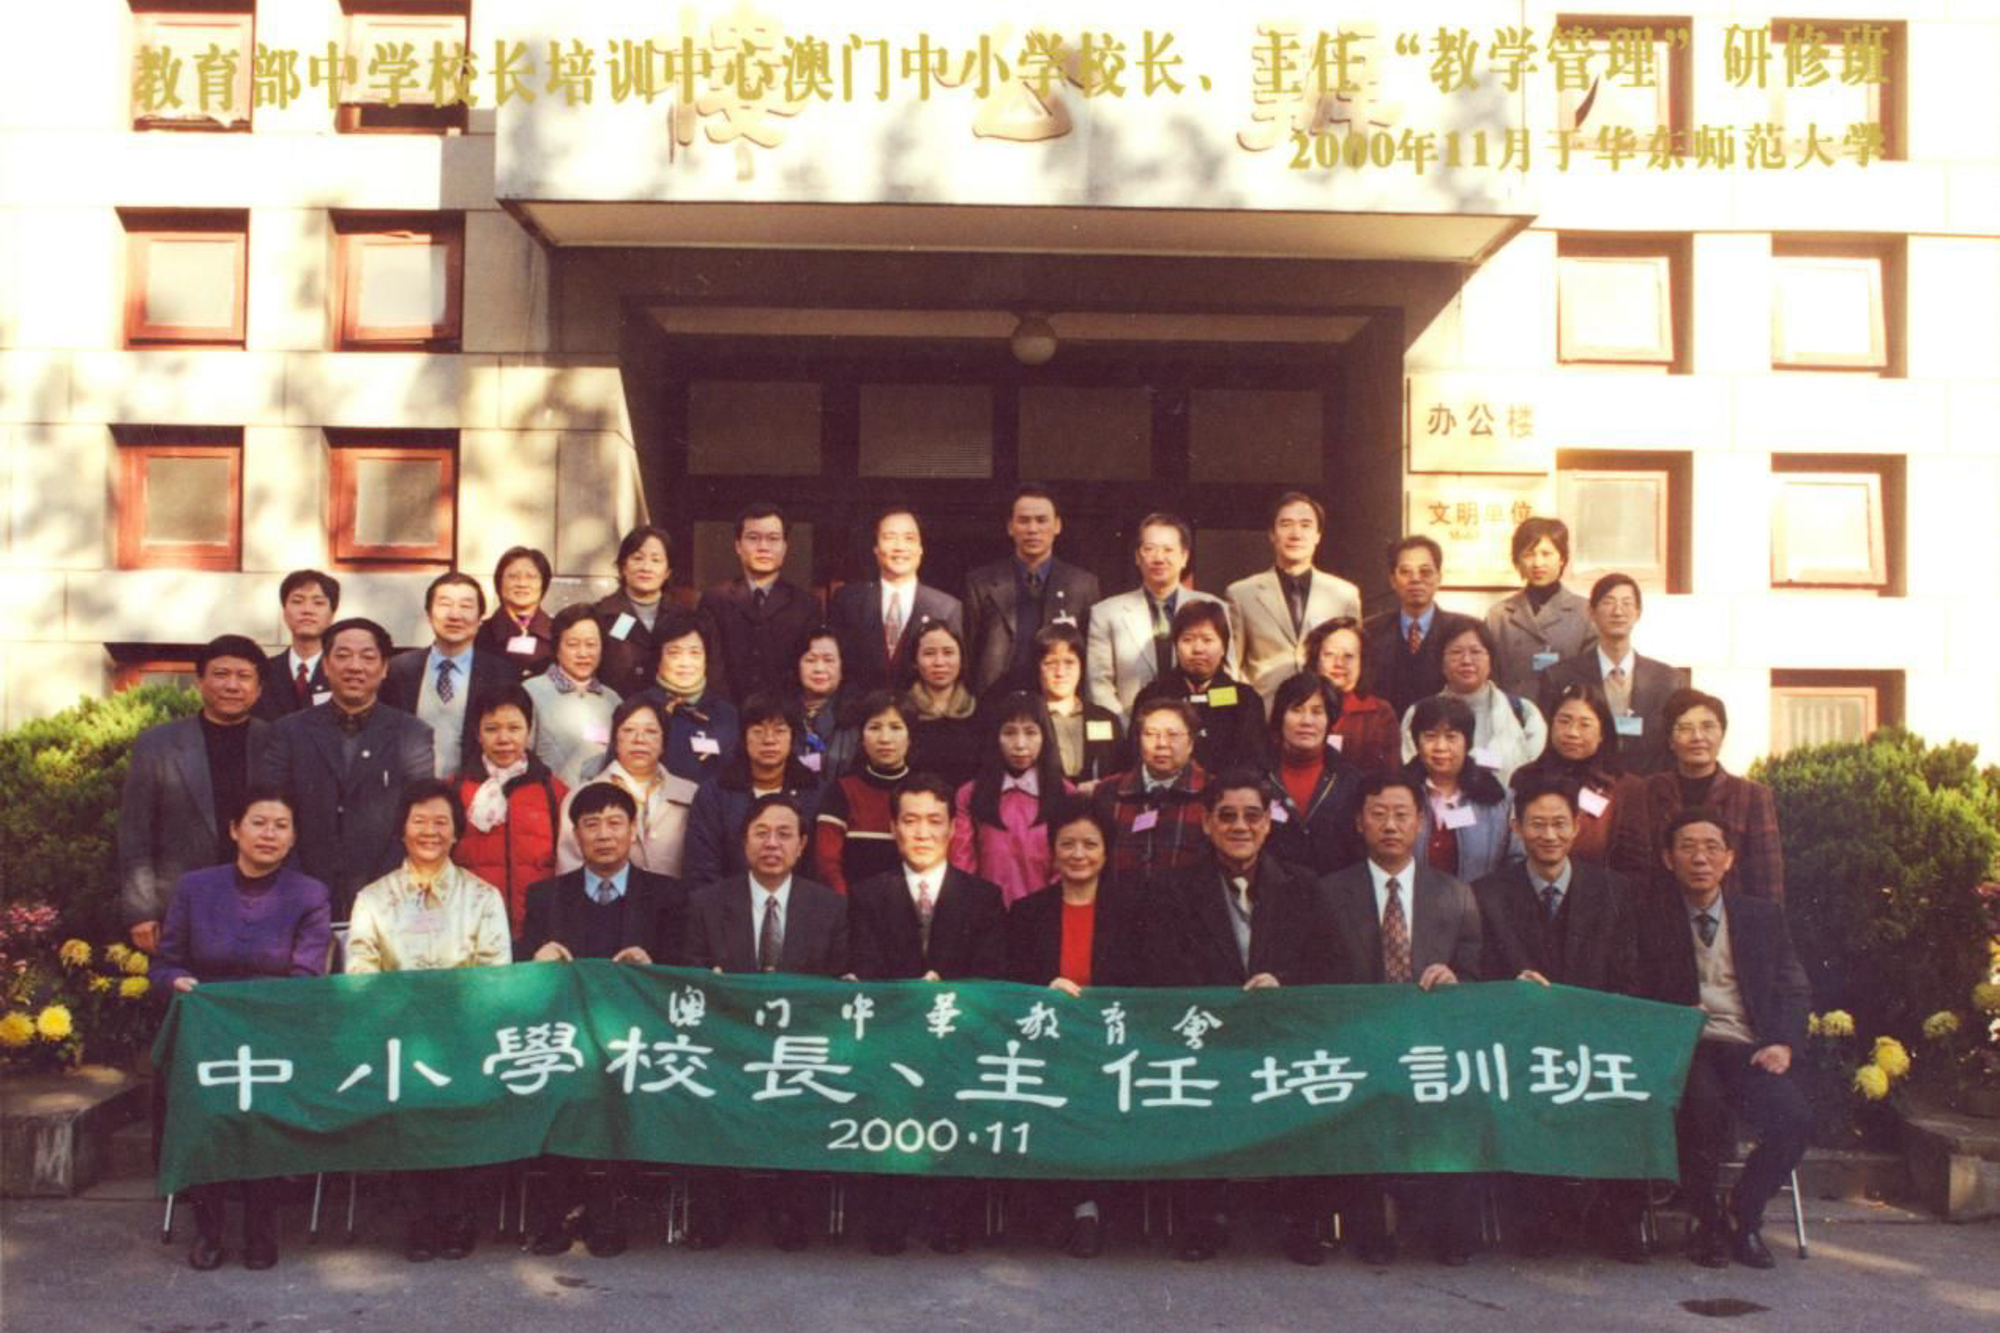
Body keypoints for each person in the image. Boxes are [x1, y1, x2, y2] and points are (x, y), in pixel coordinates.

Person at [1142, 772, 1336, 1264]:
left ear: (1268, 823)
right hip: (1207, 1036)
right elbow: (1160, 968)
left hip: (1282, 1033)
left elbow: (1329, 965)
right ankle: (1202, 1221)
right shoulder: (1171, 889)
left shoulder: (1303, 885)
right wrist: (1221, 1002)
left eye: (1252, 816)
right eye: (1226, 816)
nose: (1240, 827)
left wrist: (1282, 985)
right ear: (1207, 823)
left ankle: (1302, 1223)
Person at [1472, 775, 1647, 1263]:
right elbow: (1477, 973)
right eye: (1537, 824)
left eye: (1558, 824)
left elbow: (1630, 976)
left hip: (1596, 1038)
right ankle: (1539, 1222)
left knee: (1624, 1089)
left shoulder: (1614, 891)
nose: (1548, 835)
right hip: (1521, 1039)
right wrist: (1511, 987)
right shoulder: (1486, 894)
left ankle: (1617, 1222)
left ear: (1576, 827)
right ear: (1516, 827)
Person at [155, 788, 331, 1272]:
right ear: (235, 829)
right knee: (206, 1113)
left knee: (263, 1113)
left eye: (281, 825)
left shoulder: (309, 894)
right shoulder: (195, 888)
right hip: (206, 1031)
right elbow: (164, 965)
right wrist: (177, 981)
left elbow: (307, 977)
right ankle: (209, 1230)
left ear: (293, 837)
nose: (269, 834)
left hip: (274, 1032)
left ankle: (260, 1228)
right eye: (258, 822)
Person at [1317, 772, 1483, 1267]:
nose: (1390, 825)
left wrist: (1455, 978)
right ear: (1359, 822)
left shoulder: (1456, 894)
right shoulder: (1328, 893)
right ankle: (1375, 1227)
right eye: (1378, 814)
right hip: (1358, 1040)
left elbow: (1476, 970)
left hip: (1431, 1041)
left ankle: (1446, 1228)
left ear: (1419, 822)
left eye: (1401, 814)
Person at [344, 780, 510, 1263]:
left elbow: (494, 972)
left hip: (466, 1036)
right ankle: (418, 1220)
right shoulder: (373, 899)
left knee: (465, 1104)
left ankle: (458, 1217)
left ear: (456, 832)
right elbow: (360, 970)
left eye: (441, 822)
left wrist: (452, 1017)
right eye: (419, 821)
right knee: (408, 1102)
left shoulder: (483, 897)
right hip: (396, 1037)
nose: (430, 831)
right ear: (402, 829)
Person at [1637, 808, 1812, 1270]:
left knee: (1795, 1119)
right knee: (1702, 1109)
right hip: (1685, 1047)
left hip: (1747, 1046)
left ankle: (1743, 1212)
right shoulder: (1647, 918)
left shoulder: (1761, 916)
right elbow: (1630, 986)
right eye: (1688, 848)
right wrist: (1671, 1015)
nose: (1700, 858)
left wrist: (1782, 1042)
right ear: (1668, 858)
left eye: (1711, 848)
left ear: (1729, 859)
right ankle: (1706, 1221)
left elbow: (1793, 986)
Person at [516, 782, 683, 1258]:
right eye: (591, 825)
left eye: (614, 823)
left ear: (634, 830)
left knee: (622, 1087)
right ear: (575, 834)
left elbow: (683, 970)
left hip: (639, 1039)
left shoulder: (668, 896)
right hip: (566, 1039)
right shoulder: (547, 896)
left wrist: (654, 966)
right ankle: (558, 1213)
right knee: (555, 1083)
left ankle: (608, 1213)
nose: (604, 835)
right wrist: (536, 958)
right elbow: (521, 968)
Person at [847, 775, 1007, 1255]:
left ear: (953, 828)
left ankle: (950, 1219)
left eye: (934, 821)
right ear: (893, 828)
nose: (922, 832)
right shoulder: (868, 894)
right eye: (911, 821)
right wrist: (910, 995)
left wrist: (947, 990)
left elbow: (992, 973)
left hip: (959, 1038)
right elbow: (864, 965)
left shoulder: (983, 896)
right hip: (891, 1040)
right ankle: (889, 1218)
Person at [683, 795, 849, 1251]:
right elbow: (690, 973)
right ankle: (715, 1213)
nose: (772, 844)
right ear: (744, 843)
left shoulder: (829, 907)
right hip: (726, 1045)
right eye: (761, 833)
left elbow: (840, 979)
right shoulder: (707, 903)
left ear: (802, 845)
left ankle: (791, 1213)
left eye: (784, 834)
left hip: (800, 1049)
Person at [1003, 797, 1144, 1259]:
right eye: (1067, 844)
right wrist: (1043, 991)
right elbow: (1007, 985)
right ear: (1052, 850)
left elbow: (1150, 980)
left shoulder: (1135, 910)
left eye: (1090, 844)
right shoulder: (1026, 913)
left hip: (1116, 1048)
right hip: (1047, 1048)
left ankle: (1086, 1207)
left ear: (1106, 851)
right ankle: (1076, 1207)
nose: (1078, 854)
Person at [258, 617, 434, 920]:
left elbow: (418, 817)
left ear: (384, 668)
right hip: (299, 889)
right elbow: (271, 811)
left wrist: (386, 886)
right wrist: (296, 883)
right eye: (342, 656)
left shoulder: (413, 733)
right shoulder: (288, 731)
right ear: (326, 666)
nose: (355, 666)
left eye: (367, 657)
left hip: (388, 893)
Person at [118, 634, 269, 950]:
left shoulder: (277, 742)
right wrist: (141, 910)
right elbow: (135, 832)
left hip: (264, 903)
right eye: (220, 674)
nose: (232, 685)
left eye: (243, 676)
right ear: (199, 681)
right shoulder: (158, 745)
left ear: (258, 689)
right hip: (179, 906)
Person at [1086, 512, 1235, 721]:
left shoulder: (1213, 607)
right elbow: (1098, 684)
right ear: (1137, 557)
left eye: (1168, 550)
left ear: (1184, 557)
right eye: (1149, 549)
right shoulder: (1106, 613)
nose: (1158, 558)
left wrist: (1208, 725)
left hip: (1203, 726)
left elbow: (1227, 676)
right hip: (1131, 725)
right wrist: (1130, 729)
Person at [1538, 574, 1689, 776]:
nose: (1618, 612)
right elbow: (1549, 745)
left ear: (1638, 613)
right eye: (1608, 602)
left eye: (1627, 603)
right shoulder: (1560, 676)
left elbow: (1677, 746)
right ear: (1591, 612)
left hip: (1649, 788)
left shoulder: (1669, 680)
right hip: (1581, 785)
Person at [1641, 689, 1785, 900]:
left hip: (1731, 914)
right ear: (1670, 740)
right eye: (1685, 728)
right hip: (1662, 913)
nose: (1698, 737)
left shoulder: (1752, 796)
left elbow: (1768, 877)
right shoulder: (1646, 791)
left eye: (1708, 727)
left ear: (1722, 735)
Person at [962, 484, 1101, 696]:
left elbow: (1089, 657)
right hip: (996, 700)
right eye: (1024, 520)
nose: (1033, 529)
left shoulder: (1083, 585)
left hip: (1056, 699)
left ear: (1057, 525)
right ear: (1010, 527)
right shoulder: (981, 583)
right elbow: (968, 653)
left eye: (1042, 520)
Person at [450, 685, 567, 938]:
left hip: (538, 930)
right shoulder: (454, 792)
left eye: (514, 728)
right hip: (472, 929)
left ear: (529, 731)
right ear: (477, 734)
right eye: (491, 729)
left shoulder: (554, 792)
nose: (503, 739)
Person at [1226, 492, 1362, 704]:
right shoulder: (1242, 594)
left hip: (1324, 713)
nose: (1296, 534)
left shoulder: (1344, 594)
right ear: (1272, 534)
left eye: (1305, 525)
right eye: (1286, 524)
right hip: (1262, 713)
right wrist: (1234, 711)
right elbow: (1231, 668)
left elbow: (1354, 663)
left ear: (1318, 535)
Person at [1509, 683, 1651, 877]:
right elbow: (1514, 849)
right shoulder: (1525, 777)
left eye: (1585, 724)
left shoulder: (1626, 788)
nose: (1572, 732)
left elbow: (1635, 866)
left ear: (1602, 733)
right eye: (1564, 721)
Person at [683, 693, 822, 888]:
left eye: (780, 731)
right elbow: (701, 870)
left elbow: (818, 869)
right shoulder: (714, 794)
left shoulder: (814, 792)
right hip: (725, 903)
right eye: (758, 731)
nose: (769, 740)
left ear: (793, 737)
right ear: (743, 738)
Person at [383, 571, 513, 778]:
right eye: (445, 604)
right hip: (410, 790)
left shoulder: (501, 674)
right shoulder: (399, 670)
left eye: (466, 606)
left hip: (476, 789)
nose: (454, 615)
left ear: (480, 617)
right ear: (429, 614)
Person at [950, 693, 1073, 906]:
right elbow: (963, 865)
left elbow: (1067, 867)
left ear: (1045, 736)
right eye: (1009, 732)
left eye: (1030, 732)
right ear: (995, 737)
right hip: (987, 912)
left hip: (1045, 912)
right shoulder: (969, 794)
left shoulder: (1066, 794)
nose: (1020, 744)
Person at [827, 506, 965, 694]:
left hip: (922, 710)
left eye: (909, 538)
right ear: (876, 548)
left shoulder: (946, 608)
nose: (900, 547)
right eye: (889, 537)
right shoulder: (848, 600)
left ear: (920, 549)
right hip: (859, 710)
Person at [555, 697, 698, 877]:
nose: (639, 739)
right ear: (615, 740)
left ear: (664, 742)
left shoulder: (691, 794)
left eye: (651, 731)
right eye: (629, 730)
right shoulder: (582, 796)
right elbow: (570, 871)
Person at [698, 503, 820, 707]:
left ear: (785, 547)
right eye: (753, 538)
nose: (763, 547)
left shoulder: (806, 605)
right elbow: (710, 666)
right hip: (725, 713)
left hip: (784, 716)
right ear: (738, 546)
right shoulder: (714, 599)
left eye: (773, 538)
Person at [1398, 619, 1547, 786]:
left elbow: (1531, 771)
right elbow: (1413, 770)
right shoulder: (1418, 713)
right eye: (1456, 652)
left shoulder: (1524, 711)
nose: (1466, 661)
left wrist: (1475, 759)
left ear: (1491, 660)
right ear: (1441, 662)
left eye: (1476, 651)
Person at [1091, 697, 1211, 896]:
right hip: (1122, 907)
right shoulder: (1108, 792)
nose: (1161, 744)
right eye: (1151, 734)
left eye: (1173, 735)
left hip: (1189, 909)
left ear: (1191, 742)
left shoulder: (1211, 792)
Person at [1132, 600, 1266, 776]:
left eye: (1207, 640)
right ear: (1176, 646)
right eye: (1187, 640)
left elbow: (1255, 763)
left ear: (1224, 647)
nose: (1198, 649)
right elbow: (1134, 759)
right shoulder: (1152, 696)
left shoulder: (1245, 700)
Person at [1360, 536, 1480, 714]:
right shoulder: (1370, 631)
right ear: (1392, 580)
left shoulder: (1466, 630)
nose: (1415, 579)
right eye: (1405, 572)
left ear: (1439, 577)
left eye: (1425, 571)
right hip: (1385, 729)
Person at [1406, 694, 1517, 883]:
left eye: (1451, 737)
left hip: (1480, 900)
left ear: (1467, 742)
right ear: (1417, 742)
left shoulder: (1499, 800)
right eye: (1430, 736)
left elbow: (1516, 862)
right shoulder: (1398, 793)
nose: (1440, 747)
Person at [1261, 673, 1362, 875]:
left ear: (1329, 720)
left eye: (1317, 712)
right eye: (1296, 710)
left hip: (1334, 889)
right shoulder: (1258, 775)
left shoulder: (1351, 781)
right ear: (1280, 717)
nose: (1306, 721)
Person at [812, 691, 912, 894]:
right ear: (862, 738)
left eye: (895, 727)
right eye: (874, 728)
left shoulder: (925, 791)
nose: (885, 738)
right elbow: (827, 863)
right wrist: (847, 903)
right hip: (853, 905)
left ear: (910, 737)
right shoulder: (842, 791)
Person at [1484, 517, 1595, 700]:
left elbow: (1591, 678)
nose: (1537, 563)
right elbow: (1488, 679)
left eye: (1546, 553)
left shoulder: (1586, 613)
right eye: (1529, 554)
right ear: (1518, 561)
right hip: (1512, 713)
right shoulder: (1499, 616)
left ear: (1562, 558)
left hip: (1563, 713)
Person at [632, 609, 741, 785]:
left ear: (706, 658)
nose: (685, 663)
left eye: (695, 653)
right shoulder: (636, 709)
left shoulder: (727, 714)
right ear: (658, 659)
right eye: (674, 653)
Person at [592, 524, 701, 700]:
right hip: (618, 709)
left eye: (656, 560)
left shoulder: (687, 615)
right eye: (638, 558)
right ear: (623, 566)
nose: (646, 567)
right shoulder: (601, 615)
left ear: (667, 572)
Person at [524, 603, 623, 788]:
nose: (583, 653)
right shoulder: (531, 692)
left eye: (591, 644)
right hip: (547, 798)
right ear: (556, 648)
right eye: (572, 644)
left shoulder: (613, 700)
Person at [1304, 615, 1399, 777]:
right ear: (1316, 659)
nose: (1338, 664)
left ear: (1362, 662)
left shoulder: (1380, 713)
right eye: (1329, 654)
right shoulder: (1298, 706)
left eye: (1348, 656)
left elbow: (1389, 775)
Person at [1032, 623, 1123, 786]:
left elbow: (1121, 774)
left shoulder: (1106, 719)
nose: (1060, 672)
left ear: (1081, 666)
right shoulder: (1028, 720)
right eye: (1050, 663)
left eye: (1069, 662)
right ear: (1037, 668)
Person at [900, 619, 982, 790]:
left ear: (962, 658)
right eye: (929, 653)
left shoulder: (980, 711)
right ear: (915, 661)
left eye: (948, 652)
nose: (939, 662)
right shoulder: (901, 711)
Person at [252, 569, 338, 720]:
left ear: (332, 614)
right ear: (284, 612)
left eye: (318, 603)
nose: (307, 610)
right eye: (297, 601)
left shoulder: (342, 673)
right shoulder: (262, 672)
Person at [474, 546, 556, 681]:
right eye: (513, 577)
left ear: (544, 583)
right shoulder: (478, 634)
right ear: (499, 582)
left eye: (531, 577)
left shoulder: (559, 633)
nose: (522, 584)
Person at [786, 623, 854, 784]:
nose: (819, 668)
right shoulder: (780, 711)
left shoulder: (856, 716)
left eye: (829, 660)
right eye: (810, 660)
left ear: (843, 666)